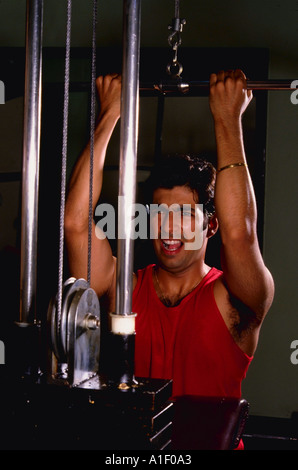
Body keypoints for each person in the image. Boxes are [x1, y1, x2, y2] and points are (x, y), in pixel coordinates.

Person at [64, 70, 274, 404]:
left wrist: (227, 120)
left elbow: (241, 233)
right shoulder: (123, 288)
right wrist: (109, 115)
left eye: (186, 215)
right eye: (158, 214)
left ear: (211, 226)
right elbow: (76, 223)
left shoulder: (235, 297)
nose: (168, 227)